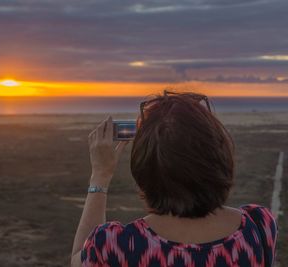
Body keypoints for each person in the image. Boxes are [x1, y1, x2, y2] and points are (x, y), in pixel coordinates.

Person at [71, 91, 278, 267]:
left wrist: (100, 175)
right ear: (219, 157)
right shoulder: (259, 227)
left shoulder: (116, 246)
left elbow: (79, 257)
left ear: (144, 168)